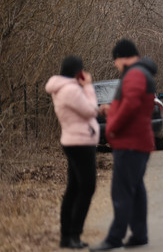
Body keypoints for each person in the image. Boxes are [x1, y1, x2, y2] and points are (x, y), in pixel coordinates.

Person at [90, 39, 157, 251]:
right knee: (135, 189)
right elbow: (130, 104)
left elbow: (131, 106)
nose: (115, 66)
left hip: (130, 142)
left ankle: (114, 238)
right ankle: (139, 234)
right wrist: (112, 109)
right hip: (137, 141)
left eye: (115, 61)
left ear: (121, 57)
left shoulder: (135, 74)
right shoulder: (139, 73)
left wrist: (111, 128)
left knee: (121, 192)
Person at [45, 56, 99, 249]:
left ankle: (68, 235)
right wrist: (89, 87)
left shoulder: (64, 88)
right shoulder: (71, 90)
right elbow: (91, 110)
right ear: (77, 72)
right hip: (80, 143)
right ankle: (73, 233)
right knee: (87, 187)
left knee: (74, 188)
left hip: (75, 141)